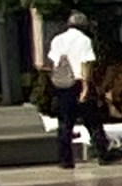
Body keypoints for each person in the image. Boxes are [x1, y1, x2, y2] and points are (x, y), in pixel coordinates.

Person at [44, 11, 116, 167]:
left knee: (65, 122)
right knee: (93, 121)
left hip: (62, 84)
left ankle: (65, 159)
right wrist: (86, 87)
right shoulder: (84, 40)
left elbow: (51, 63)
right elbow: (86, 64)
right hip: (78, 83)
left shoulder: (57, 39)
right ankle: (103, 153)